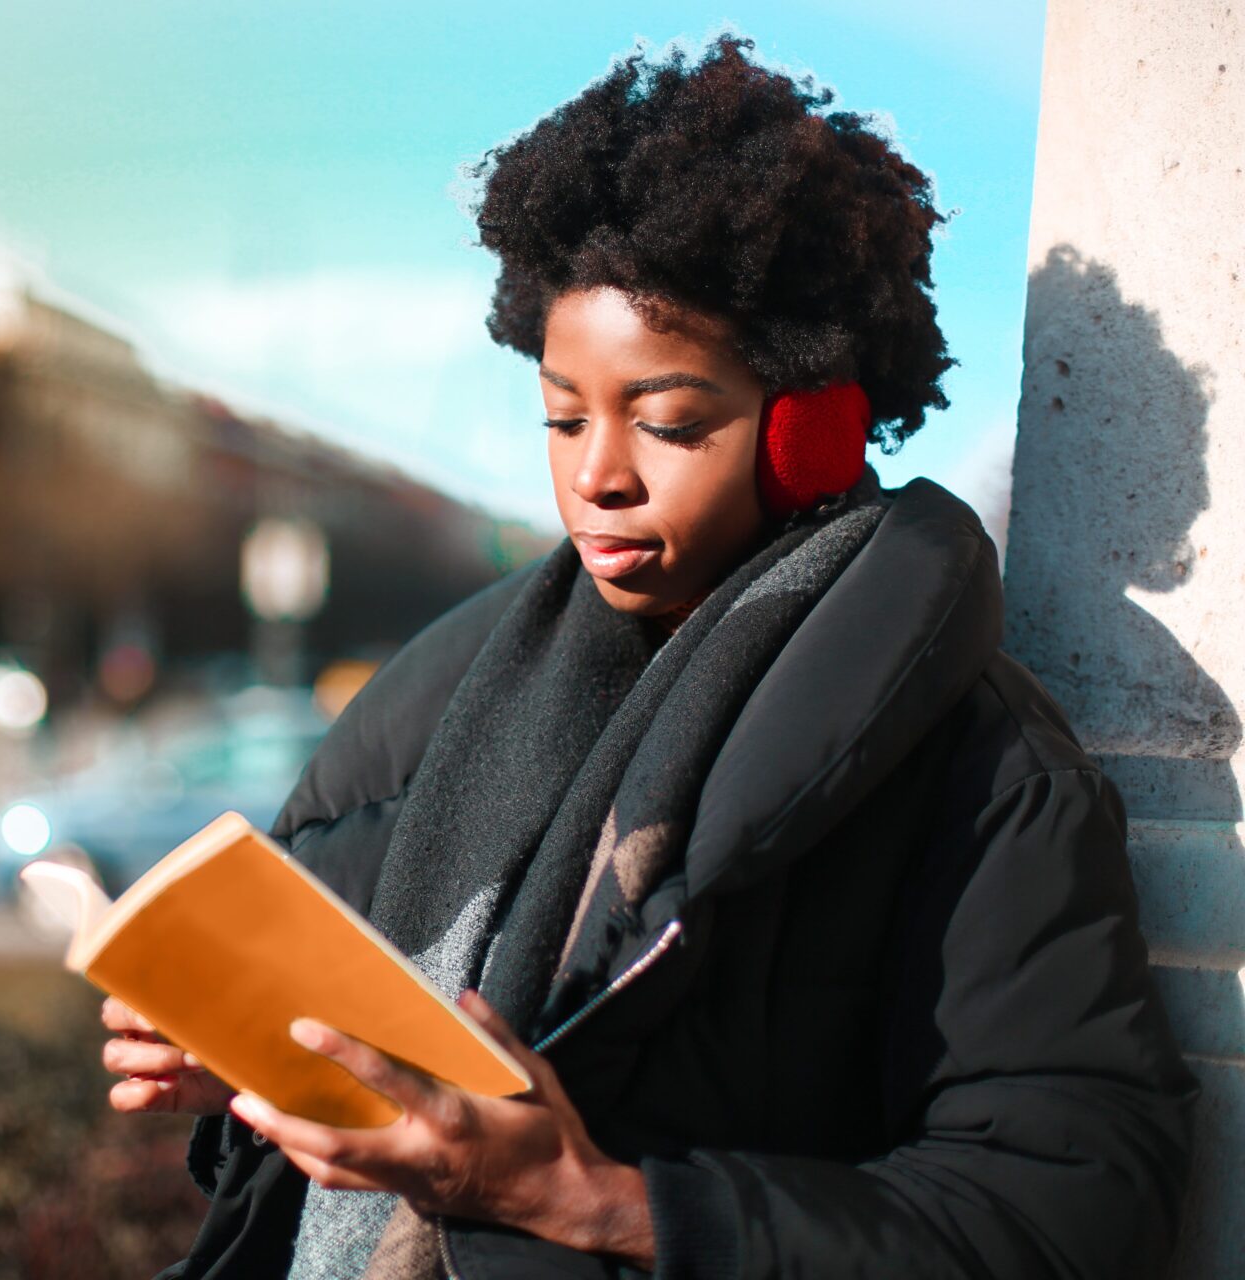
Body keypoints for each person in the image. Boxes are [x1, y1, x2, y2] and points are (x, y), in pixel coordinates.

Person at [101, 35, 1198, 1279]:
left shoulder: (981, 766)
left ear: (812, 431)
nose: (594, 475)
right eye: (562, 414)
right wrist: (252, 1060)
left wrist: (606, 1204)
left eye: (668, 421)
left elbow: (1073, 1208)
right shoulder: (445, 695)